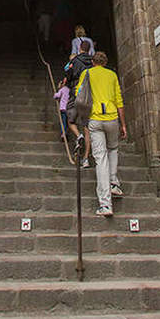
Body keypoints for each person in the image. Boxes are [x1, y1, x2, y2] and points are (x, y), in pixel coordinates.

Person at [75, 50, 126, 217]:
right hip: (112, 118)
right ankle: (114, 183)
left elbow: (79, 93)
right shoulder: (112, 75)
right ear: (105, 62)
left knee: (100, 159)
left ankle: (105, 204)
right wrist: (123, 124)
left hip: (95, 119)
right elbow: (119, 100)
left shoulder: (87, 73)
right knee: (113, 150)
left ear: (93, 61)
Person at [64, 43, 93, 168]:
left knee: (70, 119)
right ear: (89, 49)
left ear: (80, 48)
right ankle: (86, 158)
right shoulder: (93, 61)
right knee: (87, 126)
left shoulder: (75, 60)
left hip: (76, 91)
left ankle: (78, 135)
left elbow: (68, 76)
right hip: (89, 93)